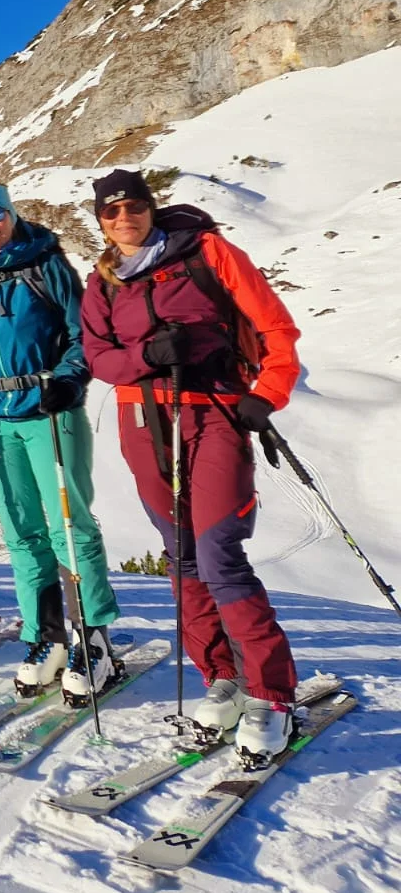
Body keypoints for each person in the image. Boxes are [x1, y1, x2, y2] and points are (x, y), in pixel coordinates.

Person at [81, 168, 302, 757]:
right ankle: (220, 675)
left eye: (133, 206)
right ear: (100, 220)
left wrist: (266, 394)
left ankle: (271, 695)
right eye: (111, 211)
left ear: (150, 207)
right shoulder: (102, 281)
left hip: (213, 412)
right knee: (180, 554)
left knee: (218, 552)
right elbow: (97, 356)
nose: (124, 218)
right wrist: (147, 357)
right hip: (142, 421)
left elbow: (277, 329)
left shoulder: (208, 253)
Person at [0, 186, 119, 699]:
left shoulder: (47, 266)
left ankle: (93, 638)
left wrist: (69, 378)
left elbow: (83, 334)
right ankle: (46, 636)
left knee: (70, 527)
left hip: (48, 409)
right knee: (21, 531)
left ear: (12, 216)